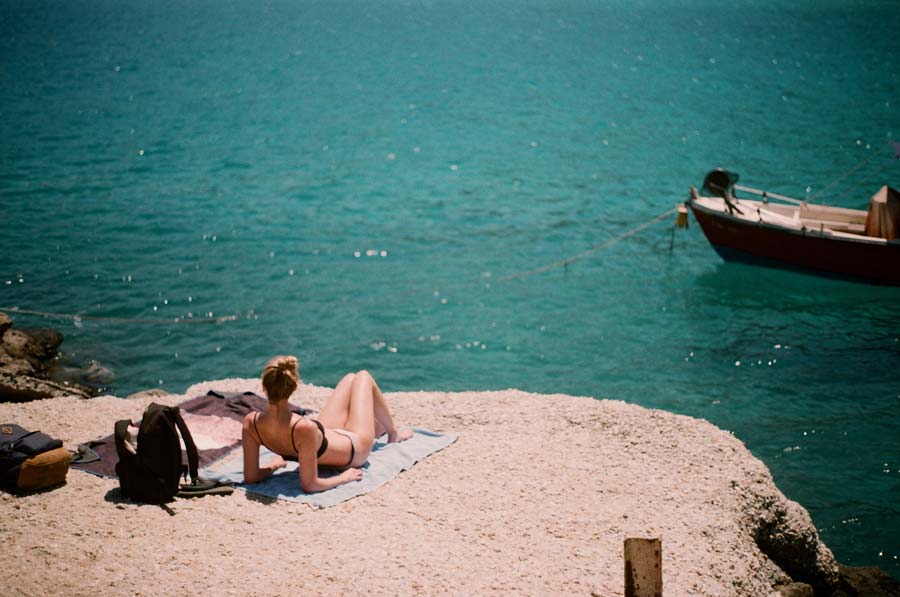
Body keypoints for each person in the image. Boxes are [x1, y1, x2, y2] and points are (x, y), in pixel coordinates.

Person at [241, 356, 412, 492]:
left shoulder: (252, 422)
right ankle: (392, 433)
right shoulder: (302, 427)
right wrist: (343, 478)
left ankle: (377, 427)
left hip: (320, 441)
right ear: (294, 388)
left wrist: (273, 466)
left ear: (264, 386)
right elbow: (310, 485)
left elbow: (251, 476)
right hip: (354, 450)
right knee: (363, 377)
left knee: (350, 379)